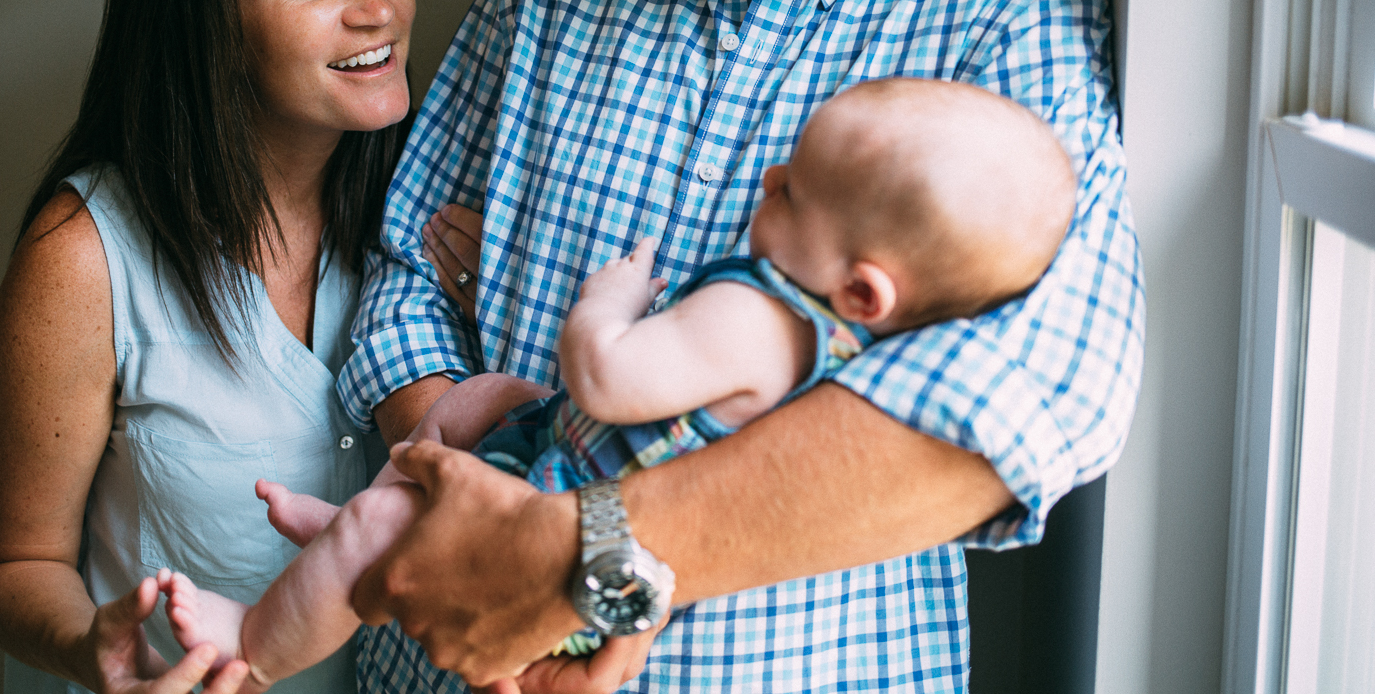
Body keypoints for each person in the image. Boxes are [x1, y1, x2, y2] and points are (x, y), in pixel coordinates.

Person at [345, 0, 1146, 692]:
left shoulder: (1016, 5)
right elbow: (405, 269)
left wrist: (571, 561)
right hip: (431, 661)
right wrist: (462, 507)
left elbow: (1034, 393)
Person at [158, 78, 1079, 693]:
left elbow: (603, 378)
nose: (770, 177)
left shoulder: (759, 318)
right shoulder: (834, 336)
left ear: (863, 288)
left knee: (379, 509)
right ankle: (366, 553)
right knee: (480, 402)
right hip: (567, 470)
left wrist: (611, 301)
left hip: (563, 515)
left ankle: (253, 639)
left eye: (797, 192)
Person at [0, 0, 418, 694]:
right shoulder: (85, 254)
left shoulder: (428, 213)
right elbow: (14, 565)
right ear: (210, 20)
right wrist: (93, 648)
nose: (377, 10)